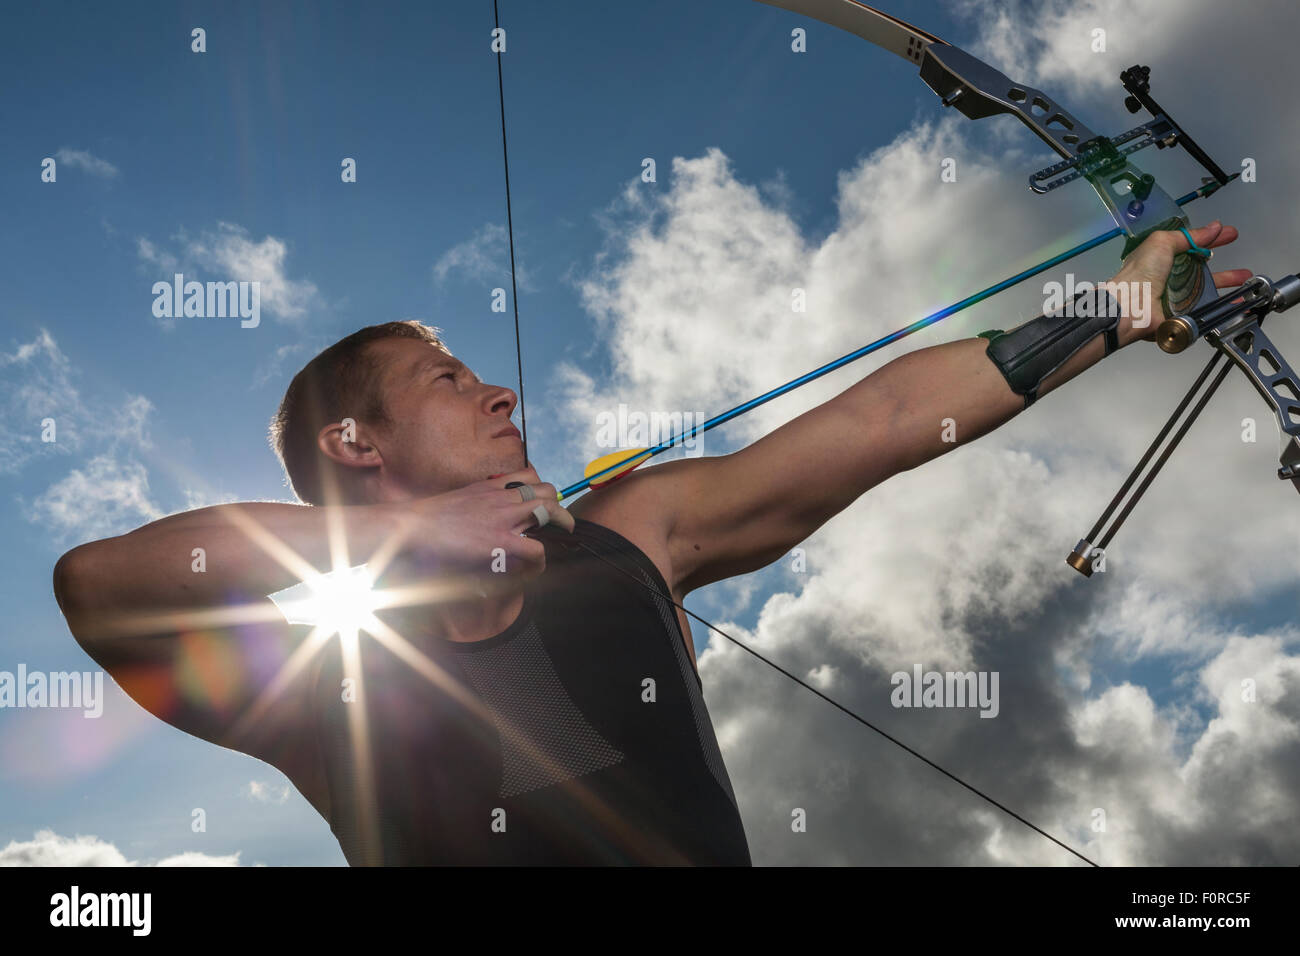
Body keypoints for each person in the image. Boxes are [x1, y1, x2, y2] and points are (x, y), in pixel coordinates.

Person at [51, 223, 1249, 865]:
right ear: (355, 441)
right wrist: (410, 543)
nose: (501, 393)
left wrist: (1105, 306)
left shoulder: (628, 530)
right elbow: (99, 581)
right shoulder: (316, 674)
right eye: (450, 377)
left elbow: (884, 421)